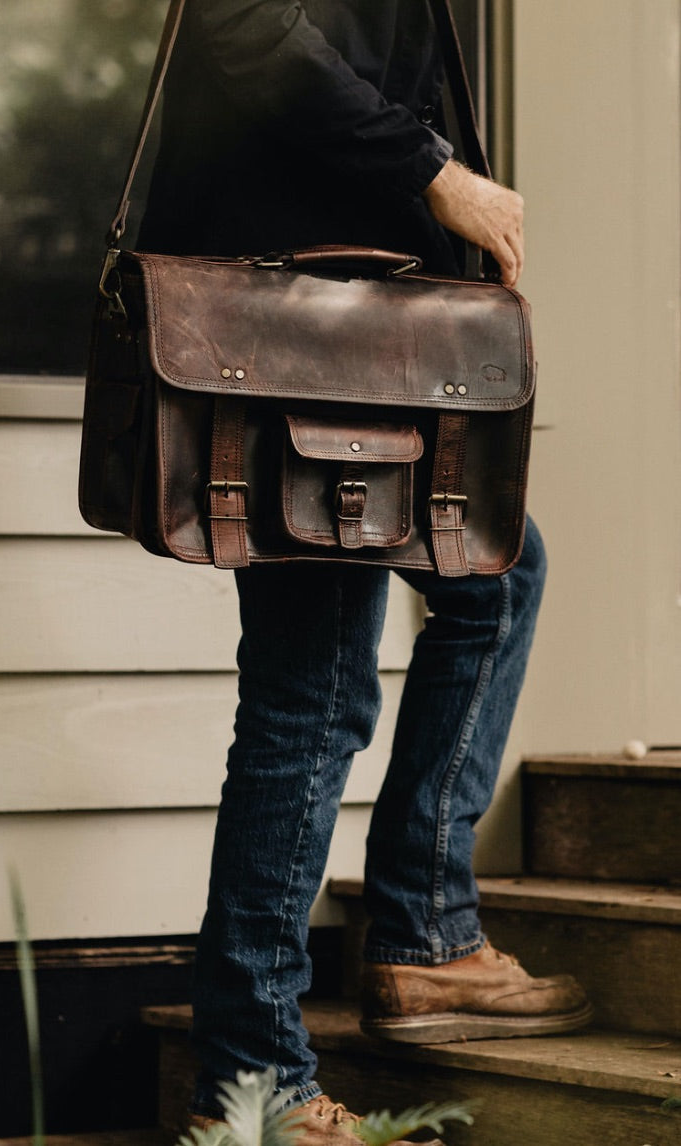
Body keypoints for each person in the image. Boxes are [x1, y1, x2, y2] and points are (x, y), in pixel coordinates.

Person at [137, 2, 591, 1141]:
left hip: (367, 325)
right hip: (303, 332)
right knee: (313, 694)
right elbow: (242, 26)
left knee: (496, 573)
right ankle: (255, 1087)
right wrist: (437, 172)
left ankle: (426, 931)